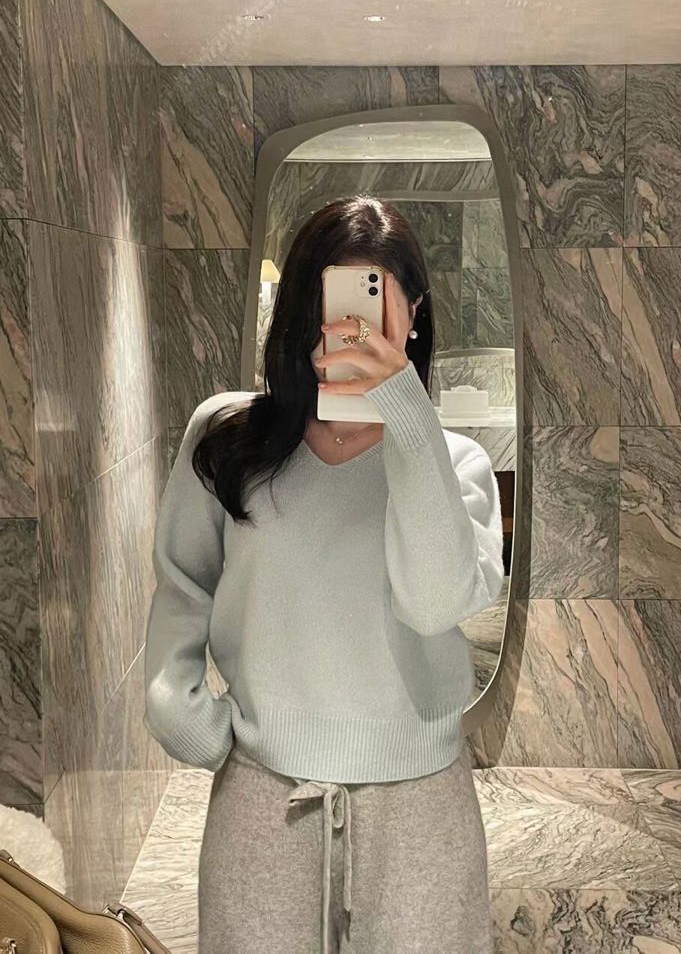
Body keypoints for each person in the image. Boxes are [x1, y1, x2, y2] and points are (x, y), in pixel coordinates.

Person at [142, 195, 504, 953]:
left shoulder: (455, 465)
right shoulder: (229, 439)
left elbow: (434, 603)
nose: (348, 327)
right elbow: (183, 583)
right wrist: (180, 710)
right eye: (332, 302)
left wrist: (406, 413)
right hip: (263, 794)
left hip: (421, 808)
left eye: (374, 306)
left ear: (414, 316)